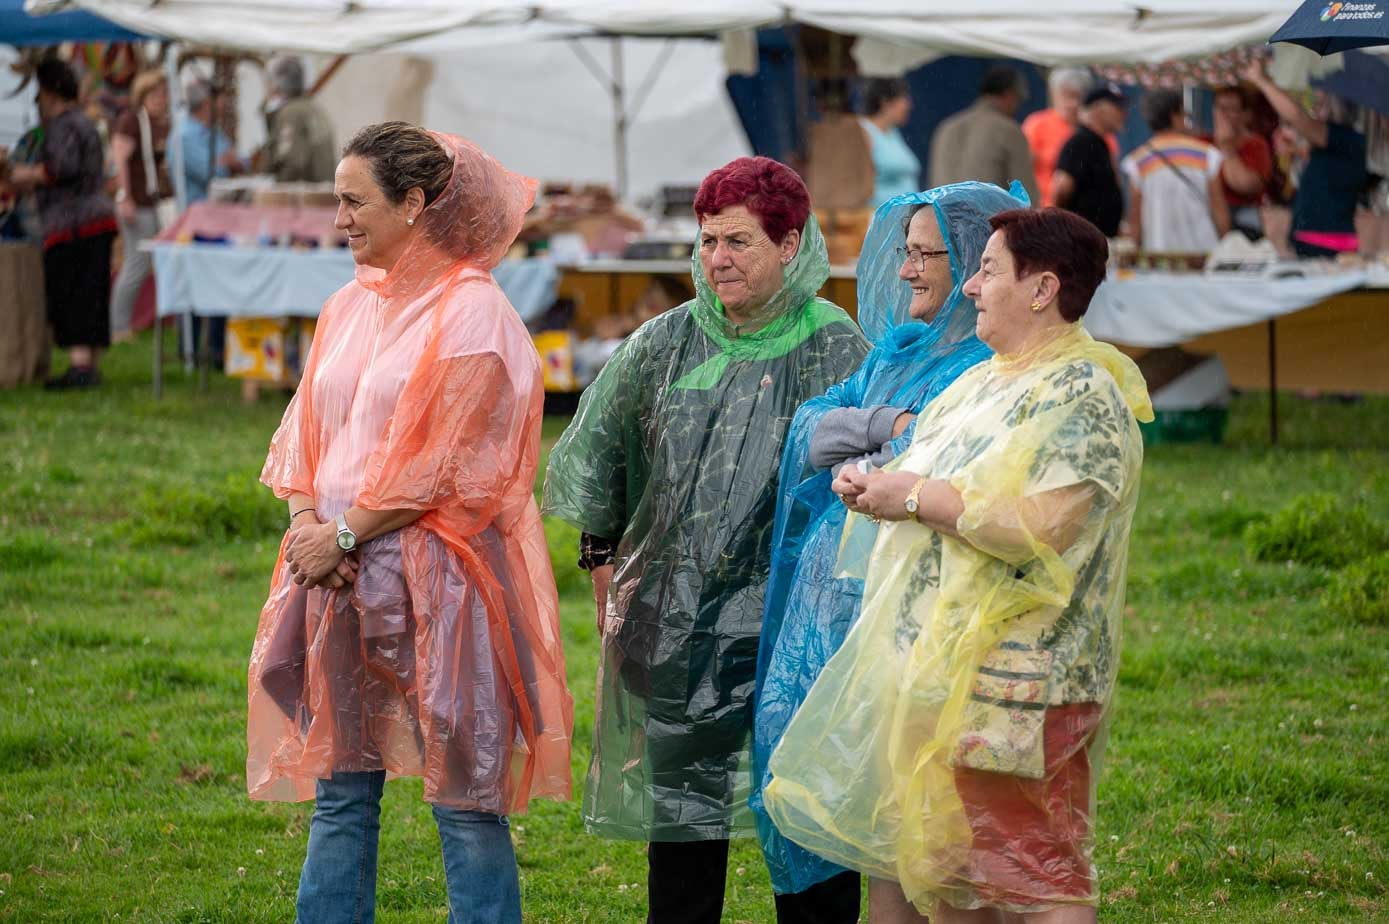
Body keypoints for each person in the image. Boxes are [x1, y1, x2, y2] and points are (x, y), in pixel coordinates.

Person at [763, 208, 1152, 923]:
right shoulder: (982, 383)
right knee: (944, 873)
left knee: (1035, 875)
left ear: (1041, 290)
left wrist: (909, 495)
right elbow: (923, 477)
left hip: (1026, 677)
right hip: (943, 668)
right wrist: (873, 486)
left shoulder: (1083, 393)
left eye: (986, 271)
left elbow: (1041, 526)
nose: (968, 287)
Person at [246, 122, 573, 924]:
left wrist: (345, 532)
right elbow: (304, 432)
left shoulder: (474, 315)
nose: (340, 219)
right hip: (334, 570)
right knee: (341, 786)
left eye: (354, 201)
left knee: (465, 798)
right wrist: (307, 529)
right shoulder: (347, 306)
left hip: (442, 582)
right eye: (338, 201)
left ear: (415, 203)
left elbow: (446, 462)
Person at [542, 156, 870, 924]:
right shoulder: (665, 343)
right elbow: (599, 459)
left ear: (790, 246)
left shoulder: (833, 345)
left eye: (737, 241)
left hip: (797, 617)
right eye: (708, 239)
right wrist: (601, 562)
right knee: (682, 825)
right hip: (678, 616)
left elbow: (872, 478)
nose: (715, 258)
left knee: (806, 809)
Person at [750, 180, 1029, 919]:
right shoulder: (897, 353)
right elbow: (810, 430)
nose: (905, 270)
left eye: (923, 255)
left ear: (969, 260)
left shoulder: (984, 366)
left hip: (905, 612)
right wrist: (884, 421)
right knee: (831, 775)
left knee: (902, 800)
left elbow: (922, 460)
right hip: (832, 605)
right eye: (902, 253)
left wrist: (873, 435)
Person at [6, 58, 117, 390]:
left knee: (76, 293)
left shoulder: (64, 126)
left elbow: (60, 169)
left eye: (39, 95)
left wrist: (18, 175)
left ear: (50, 92)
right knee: (91, 294)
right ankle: (88, 365)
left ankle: (80, 367)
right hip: (93, 219)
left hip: (74, 225)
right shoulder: (83, 122)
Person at [1243, 59, 1368, 258]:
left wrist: (1262, 81)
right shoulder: (1340, 143)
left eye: (1321, 104)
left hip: (1325, 243)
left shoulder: (1346, 139)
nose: (1316, 112)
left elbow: (1296, 116)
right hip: (1317, 241)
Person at [1121, 89, 1230, 253]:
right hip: (1203, 253)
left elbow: (1135, 220)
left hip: (1160, 256)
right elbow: (1219, 209)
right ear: (1175, 117)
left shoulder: (1139, 161)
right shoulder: (1206, 155)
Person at [110, 69, 173, 342]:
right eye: (155, 93)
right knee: (136, 264)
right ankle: (119, 326)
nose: (161, 98)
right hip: (137, 201)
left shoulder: (161, 123)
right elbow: (119, 160)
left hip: (156, 202)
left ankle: (134, 323)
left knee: (150, 262)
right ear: (143, 95)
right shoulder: (131, 121)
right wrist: (124, 196)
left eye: (163, 93)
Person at [929, 68, 1040, 205]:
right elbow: (1026, 196)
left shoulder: (946, 127)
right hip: (988, 223)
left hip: (942, 221)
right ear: (1010, 95)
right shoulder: (1009, 131)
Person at [1053, 83, 1128, 238]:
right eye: (1118, 108)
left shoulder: (1099, 143)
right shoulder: (1082, 142)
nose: (1124, 114)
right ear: (1098, 109)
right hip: (1082, 241)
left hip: (1096, 238)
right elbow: (1061, 188)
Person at [1207, 84, 1274, 241]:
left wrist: (1227, 147)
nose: (1223, 115)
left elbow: (1247, 186)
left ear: (1246, 115)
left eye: (1230, 109)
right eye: (1219, 107)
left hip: (1244, 216)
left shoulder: (1256, 144)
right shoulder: (1203, 142)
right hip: (1210, 213)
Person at [1022, 68, 1094, 207]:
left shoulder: (1094, 130)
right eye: (1066, 96)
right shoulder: (1037, 125)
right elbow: (1023, 170)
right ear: (1053, 95)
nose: (1072, 103)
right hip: (1045, 211)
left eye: (1078, 96)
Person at [266, 56, 337, 183]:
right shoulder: (314, 108)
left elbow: (292, 161)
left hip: (305, 194)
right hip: (324, 191)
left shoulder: (291, 113)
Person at [180, 77, 244, 204]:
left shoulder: (215, 132)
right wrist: (229, 163)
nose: (224, 104)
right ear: (207, 102)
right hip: (198, 215)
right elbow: (212, 175)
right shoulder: (184, 137)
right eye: (220, 99)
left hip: (219, 213)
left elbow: (243, 161)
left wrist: (226, 162)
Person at [861, 78, 922, 209]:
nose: (909, 105)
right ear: (885, 102)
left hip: (904, 218)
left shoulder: (894, 133)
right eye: (904, 99)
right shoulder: (864, 132)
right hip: (877, 218)